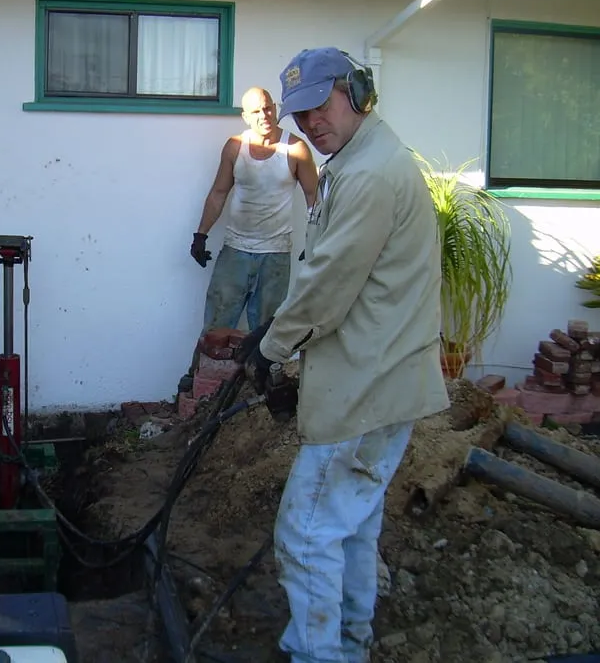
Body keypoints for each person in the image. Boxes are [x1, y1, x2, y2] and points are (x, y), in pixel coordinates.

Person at [236, 47, 450, 663]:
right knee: (352, 527)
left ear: (355, 92)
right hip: (384, 377)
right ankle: (349, 642)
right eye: (299, 115)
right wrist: (280, 338)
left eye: (320, 106)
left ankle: (319, 654)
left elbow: (328, 282)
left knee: (304, 534)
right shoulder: (362, 159)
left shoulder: (368, 174)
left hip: (364, 387)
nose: (311, 124)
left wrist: (272, 348)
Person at [190, 86, 318, 335]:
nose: (265, 115)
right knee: (216, 330)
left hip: (276, 255)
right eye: (257, 111)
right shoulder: (235, 147)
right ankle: (202, 374)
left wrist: (315, 238)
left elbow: (313, 196)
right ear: (246, 117)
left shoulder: (295, 149)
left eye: (269, 108)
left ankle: (256, 376)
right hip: (235, 250)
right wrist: (201, 235)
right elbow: (218, 193)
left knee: (265, 333)